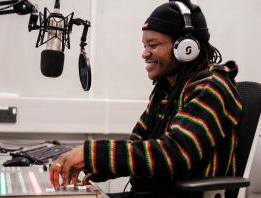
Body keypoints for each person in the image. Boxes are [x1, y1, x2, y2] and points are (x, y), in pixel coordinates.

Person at [49, 1, 242, 197]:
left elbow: (174, 155)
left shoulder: (212, 87)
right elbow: (138, 144)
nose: (144, 53)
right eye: (144, 45)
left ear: (186, 48)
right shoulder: (166, 91)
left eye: (153, 45)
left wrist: (93, 155)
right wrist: (94, 166)